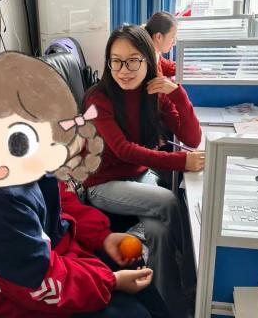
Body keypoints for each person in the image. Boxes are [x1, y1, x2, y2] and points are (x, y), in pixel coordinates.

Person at [0, 52, 170, 318]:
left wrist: (102, 237)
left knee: (136, 275)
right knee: (132, 312)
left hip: (50, 259)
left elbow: (58, 199)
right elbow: (40, 283)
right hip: (12, 302)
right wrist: (110, 281)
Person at [83, 25, 205, 317]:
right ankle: (196, 284)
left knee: (157, 231)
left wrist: (177, 93)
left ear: (148, 61)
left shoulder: (153, 92)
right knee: (170, 200)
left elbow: (192, 138)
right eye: (116, 61)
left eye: (133, 61)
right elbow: (123, 149)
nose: (123, 70)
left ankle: (171, 307)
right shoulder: (98, 99)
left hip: (137, 176)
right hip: (102, 184)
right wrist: (181, 162)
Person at [144, 11, 178, 78]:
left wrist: (184, 68)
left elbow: (165, 65)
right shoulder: (147, 63)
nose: (174, 43)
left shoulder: (154, 52)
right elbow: (160, 83)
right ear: (158, 36)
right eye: (172, 37)